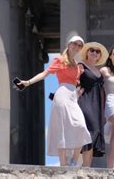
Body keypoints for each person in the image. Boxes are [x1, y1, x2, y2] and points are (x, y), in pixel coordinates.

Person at [15, 36, 92, 166]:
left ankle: (73, 159)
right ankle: (63, 164)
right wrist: (27, 82)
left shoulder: (77, 65)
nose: (77, 47)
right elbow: (44, 74)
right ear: (69, 44)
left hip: (73, 97)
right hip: (62, 95)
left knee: (81, 126)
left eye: (80, 45)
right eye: (75, 44)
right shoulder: (60, 60)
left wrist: (78, 91)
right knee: (61, 128)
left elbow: (76, 83)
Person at [76, 42, 109, 167]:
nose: (94, 53)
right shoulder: (81, 65)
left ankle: (86, 166)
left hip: (98, 105)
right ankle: (84, 165)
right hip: (85, 101)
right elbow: (73, 80)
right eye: (92, 50)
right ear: (87, 52)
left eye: (97, 51)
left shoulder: (99, 71)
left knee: (95, 132)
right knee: (91, 130)